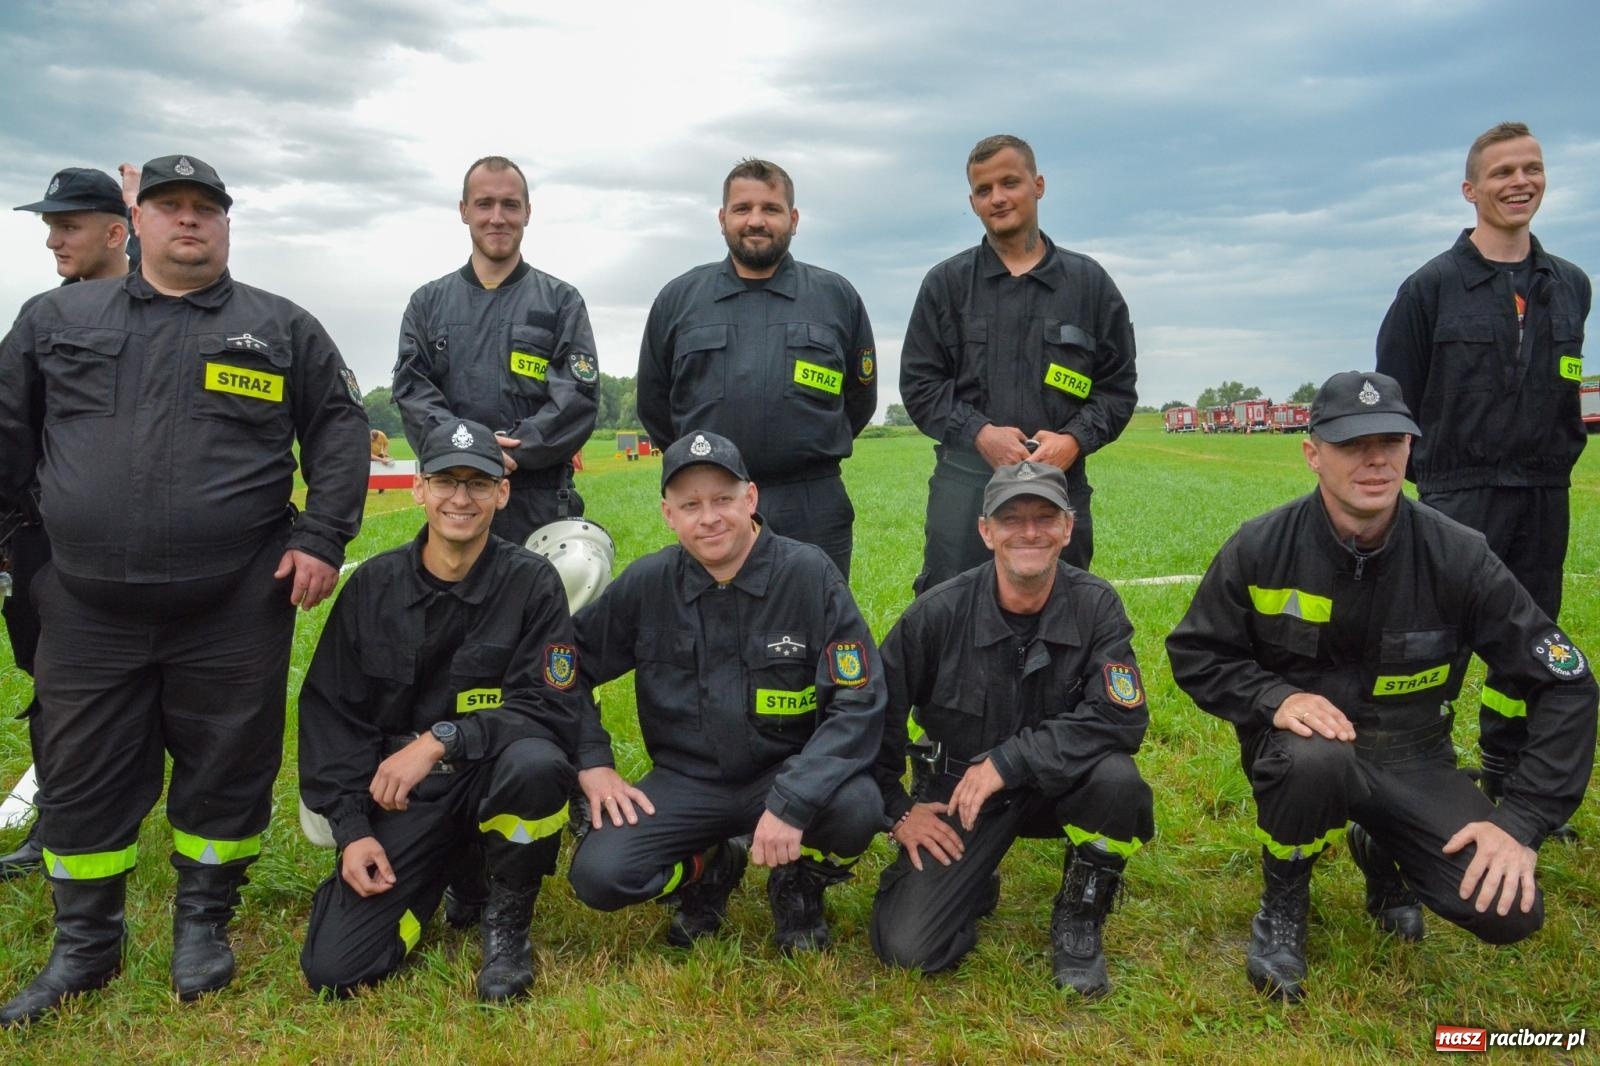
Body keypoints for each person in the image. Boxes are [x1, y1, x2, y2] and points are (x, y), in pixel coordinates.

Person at [0, 154, 370, 1026]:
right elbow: (8, 430)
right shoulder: (57, 317)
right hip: (86, 605)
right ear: (139, 223)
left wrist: (320, 536)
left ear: (228, 225)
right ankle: (85, 946)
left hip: (233, 601)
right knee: (83, 769)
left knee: (228, 766)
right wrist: (21, 549)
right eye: (170, 206)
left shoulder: (279, 329)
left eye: (207, 207)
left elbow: (340, 432)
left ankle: (204, 922)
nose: (189, 220)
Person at [1166, 371, 1596, 1003]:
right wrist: (1275, 699)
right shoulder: (1262, 546)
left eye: (1392, 439)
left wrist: (1523, 820)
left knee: (1510, 914)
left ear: (1410, 448)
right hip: (1302, 753)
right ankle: (1284, 903)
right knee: (1312, 761)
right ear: (1312, 453)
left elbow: (1567, 682)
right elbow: (1196, 652)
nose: (1375, 458)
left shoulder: (1459, 555)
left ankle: (1381, 845)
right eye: (1351, 443)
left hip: (1412, 756)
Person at [566, 430, 886, 952]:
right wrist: (593, 760)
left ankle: (800, 881)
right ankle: (708, 867)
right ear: (669, 515)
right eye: (690, 505)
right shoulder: (648, 584)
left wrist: (794, 801)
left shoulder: (808, 575)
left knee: (856, 808)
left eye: (722, 499)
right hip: (687, 781)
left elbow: (858, 700)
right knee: (600, 876)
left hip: (784, 773)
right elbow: (564, 667)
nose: (708, 517)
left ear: (751, 498)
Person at [298, 418, 581, 1002]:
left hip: (491, 774)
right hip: (406, 797)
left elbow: (550, 705)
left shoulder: (533, 584)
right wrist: (352, 833)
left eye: (477, 483)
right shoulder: (373, 588)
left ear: (501, 493)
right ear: (417, 489)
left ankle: (506, 925)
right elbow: (332, 717)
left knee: (537, 764)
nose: (460, 498)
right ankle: (442, 879)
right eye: (445, 481)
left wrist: (440, 740)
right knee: (337, 971)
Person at [1375, 122, 1592, 838]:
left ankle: (1509, 774)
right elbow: (1395, 402)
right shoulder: (1430, 288)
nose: (1519, 181)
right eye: (1502, 172)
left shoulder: (1571, 286)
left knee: (1529, 645)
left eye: (1531, 168)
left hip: (1541, 496)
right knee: (1434, 645)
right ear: (1471, 190)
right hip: (1457, 498)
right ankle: (1411, 778)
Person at [870, 460, 1153, 996]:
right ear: (985, 531)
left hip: (1057, 784)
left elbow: (1124, 715)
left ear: (1068, 528)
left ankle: (1079, 916)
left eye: (1044, 517)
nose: (1029, 532)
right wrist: (898, 809)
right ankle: (974, 880)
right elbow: (873, 715)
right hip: (961, 795)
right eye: (1011, 518)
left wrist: (1009, 761)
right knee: (908, 949)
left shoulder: (1096, 605)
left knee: (1117, 781)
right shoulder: (936, 614)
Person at [899, 134, 1136, 593]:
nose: (998, 198)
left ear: (1038, 185)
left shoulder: (1089, 286)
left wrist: (1073, 441)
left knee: (1063, 610)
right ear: (972, 202)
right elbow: (920, 385)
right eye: (984, 190)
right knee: (952, 612)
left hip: (1058, 488)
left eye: (1010, 182)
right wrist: (979, 434)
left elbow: (1117, 389)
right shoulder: (945, 285)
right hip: (964, 489)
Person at [635, 159, 876, 578]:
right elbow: (655, 403)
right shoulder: (679, 299)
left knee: (817, 627)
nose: (756, 221)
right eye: (742, 209)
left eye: (771, 209)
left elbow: (859, 399)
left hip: (811, 502)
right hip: (714, 504)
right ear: (723, 218)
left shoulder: (836, 297)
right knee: (712, 629)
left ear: (794, 219)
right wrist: (708, 471)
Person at [2, 166, 138, 879]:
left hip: (142, 550)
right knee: (53, 683)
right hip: (47, 542)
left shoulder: (167, 315)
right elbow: (8, 430)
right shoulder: (40, 320)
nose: (54, 239)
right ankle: (56, 819)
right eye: (50, 226)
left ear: (116, 232)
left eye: (68, 226)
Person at [392, 155, 599, 547]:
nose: (497, 217)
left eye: (510, 205)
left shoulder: (561, 302)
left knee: (543, 607)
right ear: (464, 211)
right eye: (485, 204)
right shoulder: (427, 304)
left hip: (540, 504)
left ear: (528, 212)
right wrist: (466, 448)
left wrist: (517, 449)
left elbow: (577, 399)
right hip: (458, 500)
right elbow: (412, 393)